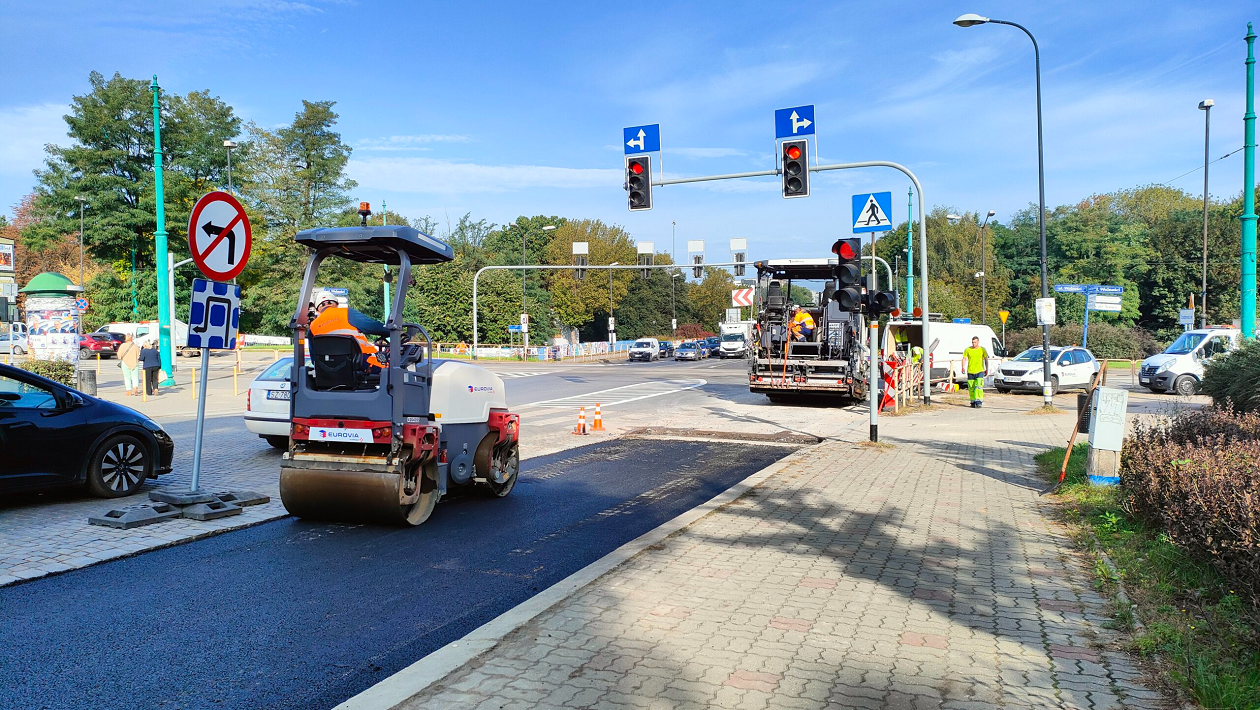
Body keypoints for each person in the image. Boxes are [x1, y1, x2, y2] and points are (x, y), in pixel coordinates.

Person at [309, 288, 385, 369]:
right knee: (389, 367)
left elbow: (314, 359)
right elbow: (373, 327)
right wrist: (389, 330)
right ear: (336, 304)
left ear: (318, 310)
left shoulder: (313, 326)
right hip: (360, 364)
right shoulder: (347, 313)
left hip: (329, 370)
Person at [962, 336, 988, 408]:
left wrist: (987, 369)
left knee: (978, 386)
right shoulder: (968, 350)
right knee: (971, 386)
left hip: (980, 370)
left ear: (978, 342)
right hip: (970, 371)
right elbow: (964, 358)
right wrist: (963, 367)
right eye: (973, 342)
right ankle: (973, 401)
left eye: (975, 342)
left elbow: (986, 359)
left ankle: (979, 401)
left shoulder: (982, 349)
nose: (974, 344)